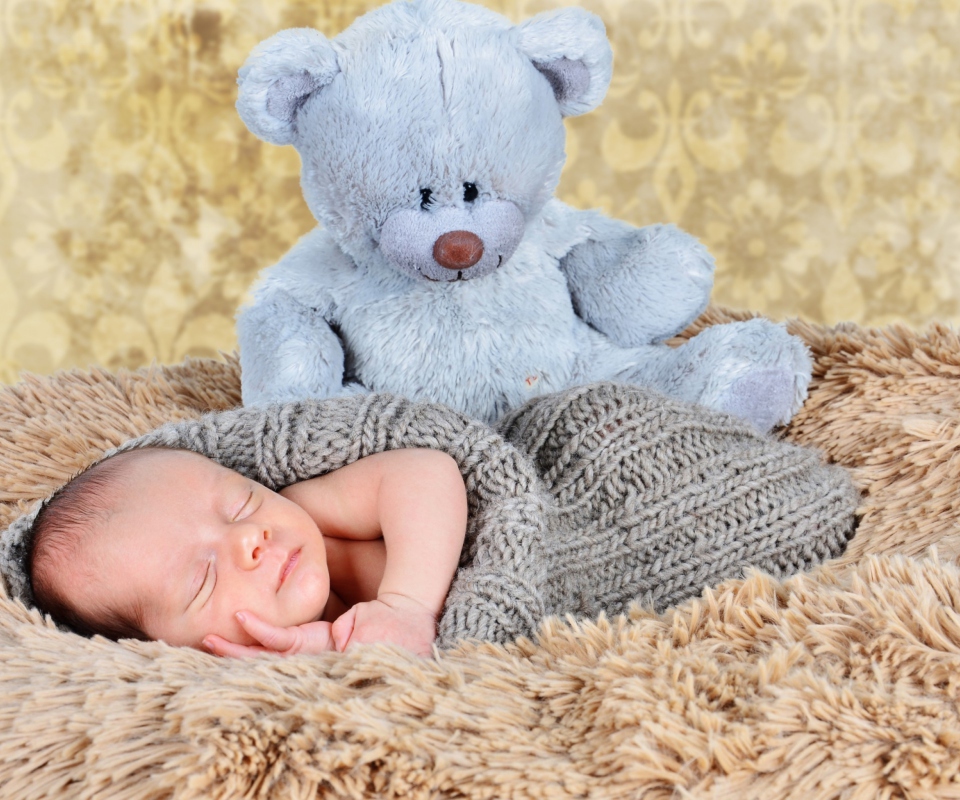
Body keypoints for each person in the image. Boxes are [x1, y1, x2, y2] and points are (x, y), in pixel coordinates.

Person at [26, 446, 468, 658]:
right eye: (204, 578)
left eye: (242, 503)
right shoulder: (256, 673)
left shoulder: (312, 513)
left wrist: (406, 606)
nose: (247, 538)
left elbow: (425, 473)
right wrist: (331, 650)